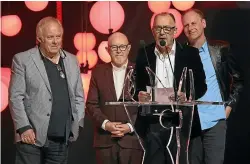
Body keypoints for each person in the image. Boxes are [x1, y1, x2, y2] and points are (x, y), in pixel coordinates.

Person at [9, 16, 85, 164]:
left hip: (61, 139)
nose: (56, 41)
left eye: (58, 36)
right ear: (39, 38)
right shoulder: (22, 60)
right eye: (50, 37)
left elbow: (79, 96)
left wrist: (76, 123)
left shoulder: (71, 60)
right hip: (30, 137)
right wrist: (24, 127)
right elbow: (15, 97)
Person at [134, 12, 207, 164]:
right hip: (152, 122)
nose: (162, 33)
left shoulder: (189, 54)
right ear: (153, 31)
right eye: (158, 28)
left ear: (175, 31)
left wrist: (186, 95)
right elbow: (135, 88)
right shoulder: (144, 54)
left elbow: (201, 86)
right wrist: (139, 95)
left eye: (167, 28)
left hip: (181, 121)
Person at [182, 9, 244, 164]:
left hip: (216, 121)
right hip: (191, 123)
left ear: (203, 23)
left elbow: (238, 79)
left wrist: (228, 107)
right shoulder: (181, 54)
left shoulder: (221, 49)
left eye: (194, 23)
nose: (190, 28)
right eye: (186, 25)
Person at [86, 32, 143, 164]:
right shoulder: (98, 72)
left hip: (132, 142)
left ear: (128, 48)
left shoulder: (140, 72)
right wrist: (106, 125)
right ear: (107, 50)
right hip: (105, 142)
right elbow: (91, 104)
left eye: (122, 47)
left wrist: (130, 126)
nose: (119, 51)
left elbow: (145, 106)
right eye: (114, 47)